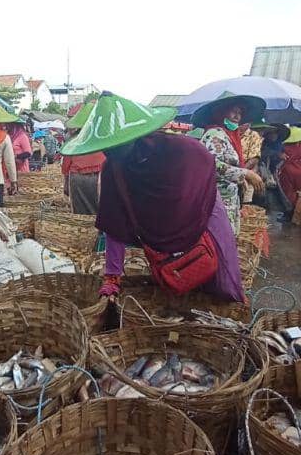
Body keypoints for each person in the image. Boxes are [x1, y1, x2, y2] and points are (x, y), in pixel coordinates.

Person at [62, 92, 244, 303]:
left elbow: (204, 164)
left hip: (203, 215)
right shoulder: (113, 169)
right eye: (107, 147)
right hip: (163, 239)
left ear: (137, 135)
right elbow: (114, 225)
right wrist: (112, 277)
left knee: (220, 284)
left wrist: (182, 212)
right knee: (173, 285)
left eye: (119, 143)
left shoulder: (179, 150)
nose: (112, 151)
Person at [195, 95, 265, 234]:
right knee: (219, 239)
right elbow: (212, 165)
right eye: (233, 111)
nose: (237, 116)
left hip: (227, 200)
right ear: (221, 112)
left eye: (240, 113)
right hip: (216, 200)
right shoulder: (215, 134)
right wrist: (246, 173)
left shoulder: (228, 135)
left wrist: (241, 178)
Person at [61, 103, 105, 215]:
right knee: (99, 211)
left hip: (77, 178)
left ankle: (82, 231)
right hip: (100, 177)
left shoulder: (74, 138)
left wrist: (66, 183)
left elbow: (66, 164)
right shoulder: (103, 136)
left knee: (79, 212)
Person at [279, 127, 301, 219]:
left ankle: (289, 212)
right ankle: (297, 212)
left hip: (288, 169)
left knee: (288, 192)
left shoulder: (285, 146)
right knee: (298, 191)